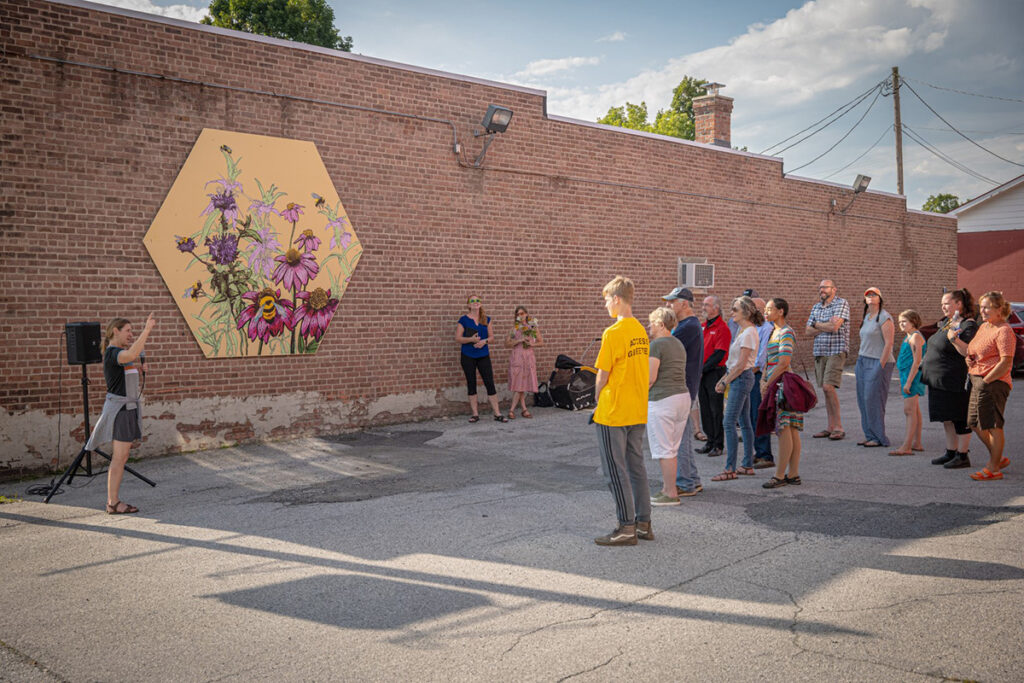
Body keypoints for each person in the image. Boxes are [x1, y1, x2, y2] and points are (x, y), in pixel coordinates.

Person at [592, 276, 652, 546]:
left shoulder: (613, 332)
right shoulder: (640, 330)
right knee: (636, 466)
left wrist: (596, 401)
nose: (605, 304)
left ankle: (625, 526)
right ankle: (643, 522)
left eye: (606, 299)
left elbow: (602, 374)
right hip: (637, 408)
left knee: (615, 471)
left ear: (617, 299)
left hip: (614, 410)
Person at [84, 314, 156, 514]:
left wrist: (139, 367)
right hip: (120, 411)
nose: (131, 335)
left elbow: (131, 360)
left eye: (133, 331)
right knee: (119, 457)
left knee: (122, 457)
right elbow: (131, 355)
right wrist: (147, 330)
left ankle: (113, 501)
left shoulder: (121, 354)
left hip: (128, 409)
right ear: (115, 331)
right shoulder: (112, 353)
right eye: (128, 331)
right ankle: (112, 503)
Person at [950, 291, 1015, 481]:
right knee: (974, 422)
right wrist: (955, 341)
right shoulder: (984, 327)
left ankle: (993, 468)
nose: (983, 311)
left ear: (999, 309)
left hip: (993, 382)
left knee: (993, 425)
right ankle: (998, 457)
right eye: (982, 307)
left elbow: (1005, 362)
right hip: (977, 379)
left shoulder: (1003, 330)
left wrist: (987, 380)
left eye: (987, 307)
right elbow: (970, 351)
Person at [920, 289, 978, 469]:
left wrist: (954, 339)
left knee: (959, 418)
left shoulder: (968, 325)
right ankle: (951, 451)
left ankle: (963, 455)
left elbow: (967, 351)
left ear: (959, 304)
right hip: (938, 379)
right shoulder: (947, 322)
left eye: (946, 303)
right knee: (946, 418)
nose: (943, 307)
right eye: (942, 304)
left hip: (954, 380)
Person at [712, 296, 762, 481]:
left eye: (735, 309)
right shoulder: (744, 331)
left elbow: (741, 365)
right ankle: (747, 464)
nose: (732, 312)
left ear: (746, 312)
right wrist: (726, 379)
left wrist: (725, 381)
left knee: (728, 422)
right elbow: (736, 363)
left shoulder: (748, 332)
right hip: (740, 377)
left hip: (741, 378)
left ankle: (730, 469)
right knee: (745, 421)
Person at [646, 307, 690, 506]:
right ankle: (667, 488)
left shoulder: (657, 345)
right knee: (672, 448)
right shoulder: (678, 343)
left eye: (651, 323)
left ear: (661, 324)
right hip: (682, 397)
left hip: (663, 400)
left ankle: (670, 493)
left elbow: (650, 378)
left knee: (665, 450)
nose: (649, 327)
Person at [662, 287, 703, 496]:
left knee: (680, 437)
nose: (668, 305)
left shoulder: (687, 327)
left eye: (672, 302)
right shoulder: (690, 325)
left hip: (682, 388)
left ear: (684, 304)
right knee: (683, 434)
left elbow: (667, 350)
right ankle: (692, 479)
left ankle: (685, 482)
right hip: (686, 387)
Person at [760, 298, 804, 488]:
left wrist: (767, 383)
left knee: (785, 429)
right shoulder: (773, 331)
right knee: (791, 429)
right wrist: (764, 378)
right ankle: (793, 474)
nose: (766, 312)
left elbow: (784, 362)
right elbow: (770, 359)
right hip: (776, 383)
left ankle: (779, 475)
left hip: (782, 386)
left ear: (781, 311)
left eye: (770, 309)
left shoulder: (786, 332)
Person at [806, 279, 850, 440]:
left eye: (825, 287)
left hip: (836, 350)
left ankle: (838, 426)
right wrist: (823, 325)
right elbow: (808, 331)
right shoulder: (816, 307)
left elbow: (835, 327)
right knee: (825, 390)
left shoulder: (841, 303)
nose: (822, 290)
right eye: (820, 288)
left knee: (828, 387)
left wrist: (817, 324)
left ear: (834, 289)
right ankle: (830, 426)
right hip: (820, 351)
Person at [455, 295, 507, 423]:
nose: (475, 303)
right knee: (471, 383)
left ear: (480, 303)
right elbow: (458, 338)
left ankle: (497, 413)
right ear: (468, 305)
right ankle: (475, 414)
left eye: (477, 300)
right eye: (472, 301)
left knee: (489, 382)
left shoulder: (486, 319)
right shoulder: (463, 320)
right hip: (468, 356)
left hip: (483, 355)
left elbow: (492, 337)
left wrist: (484, 341)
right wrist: (471, 340)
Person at [855, 287, 895, 447]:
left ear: (880, 298)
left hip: (879, 361)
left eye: (874, 295)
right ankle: (869, 434)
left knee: (873, 399)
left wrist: (880, 365)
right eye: (868, 295)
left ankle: (879, 437)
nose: (871, 297)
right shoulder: (867, 317)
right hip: (862, 361)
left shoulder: (885, 317)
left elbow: (889, 344)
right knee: (863, 400)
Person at [696, 295, 731, 457]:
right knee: (705, 408)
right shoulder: (703, 327)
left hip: (714, 372)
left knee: (716, 409)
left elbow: (719, 353)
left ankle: (718, 443)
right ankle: (709, 441)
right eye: (703, 304)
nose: (703, 307)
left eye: (707, 305)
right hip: (702, 373)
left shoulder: (722, 328)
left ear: (716, 308)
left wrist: (702, 369)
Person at [890, 310, 927, 456]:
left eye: (904, 321)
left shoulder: (916, 336)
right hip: (906, 376)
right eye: (900, 321)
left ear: (913, 321)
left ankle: (906, 446)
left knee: (909, 411)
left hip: (912, 377)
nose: (902, 324)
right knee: (915, 410)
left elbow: (917, 361)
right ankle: (917, 442)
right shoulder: (909, 336)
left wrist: (909, 382)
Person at [750, 296, 775, 469]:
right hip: (748, 374)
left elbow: (762, 357)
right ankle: (758, 452)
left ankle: (765, 454)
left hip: (757, 375)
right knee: (751, 415)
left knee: (759, 415)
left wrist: (748, 370)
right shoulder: (752, 328)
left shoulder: (767, 328)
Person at [506, 305, 543, 419]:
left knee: (522, 384)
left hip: (528, 356)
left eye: (522, 313)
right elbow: (507, 343)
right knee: (519, 384)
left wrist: (532, 344)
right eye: (518, 314)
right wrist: (519, 340)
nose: (520, 316)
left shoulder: (532, 327)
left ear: (526, 314)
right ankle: (514, 410)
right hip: (517, 356)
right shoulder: (515, 329)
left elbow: (541, 342)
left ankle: (522, 409)